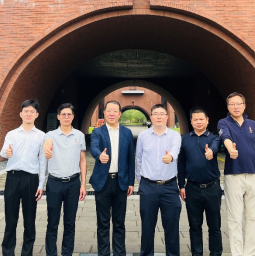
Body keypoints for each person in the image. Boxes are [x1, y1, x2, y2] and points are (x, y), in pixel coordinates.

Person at [218, 92, 255, 256]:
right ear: (228, 107)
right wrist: (230, 149)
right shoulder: (223, 122)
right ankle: (237, 253)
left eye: (239, 103)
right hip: (233, 175)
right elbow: (225, 136)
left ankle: (250, 252)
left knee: (253, 217)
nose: (236, 107)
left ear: (244, 106)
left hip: (253, 175)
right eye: (232, 104)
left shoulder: (253, 124)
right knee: (235, 218)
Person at [0, 100, 47, 257]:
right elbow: (3, 151)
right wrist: (6, 153)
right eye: (26, 111)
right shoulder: (12, 134)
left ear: (37, 115)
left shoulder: (41, 136)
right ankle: (8, 252)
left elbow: (43, 161)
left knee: (30, 219)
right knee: (10, 219)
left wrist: (41, 184)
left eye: (32, 111)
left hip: (31, 180)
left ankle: (27, 252)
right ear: (20, 114)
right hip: (13, 178)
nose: (29, 114)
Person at [89, 100, 135, 256]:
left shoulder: (127, 133)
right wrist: (99, 155)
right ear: (104, 113)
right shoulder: (97, 132)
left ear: (120, 114)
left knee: (119, 222)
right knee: (103, 223)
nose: (112, 114)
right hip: (103, 182)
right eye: (109, 110)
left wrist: (131, 182)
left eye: (115, 111)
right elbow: (94, 147)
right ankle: (103, 253)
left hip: (121, 182)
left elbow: (130, 159)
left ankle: (119, 253)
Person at [136, 104, 182, 257]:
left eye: (162, 113)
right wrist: (141, 181)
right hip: (148, 186)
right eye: (155, 114)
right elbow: (139, 159)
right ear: (151, 117)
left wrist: (171, 157)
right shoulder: (143, 136)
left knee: (172, 226)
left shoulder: (174, 135)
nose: (159, 116)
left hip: (170, 187)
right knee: (147, 226)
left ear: (167, 117)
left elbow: (175, 149)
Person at [43, 103, 87, 257]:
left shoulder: (79, 135)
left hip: (73, 183)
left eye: (69, 114)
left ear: (73, 117)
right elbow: (47, 146)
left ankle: (67, 253)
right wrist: (47, 151)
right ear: (58, 117)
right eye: (63, 114)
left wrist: (83, 184)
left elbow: (83, 160)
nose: (66, 117)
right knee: (52, 223)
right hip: (54, 183)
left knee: (70, 223)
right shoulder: (50, 135)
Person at [178, 107, 223, 257]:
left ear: (207, 120)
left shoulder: (214, 138)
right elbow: (181, 164)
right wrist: (181, 185)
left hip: (212, 188)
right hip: (192, 188)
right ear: (191, 121)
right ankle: (196, 253)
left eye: (201, 119)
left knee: (214, 226)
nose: (199, 122)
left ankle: (215, 253)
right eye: (195, 119)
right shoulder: (184, 139)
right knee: (194, 225)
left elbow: (215, 147)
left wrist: (211, 152)